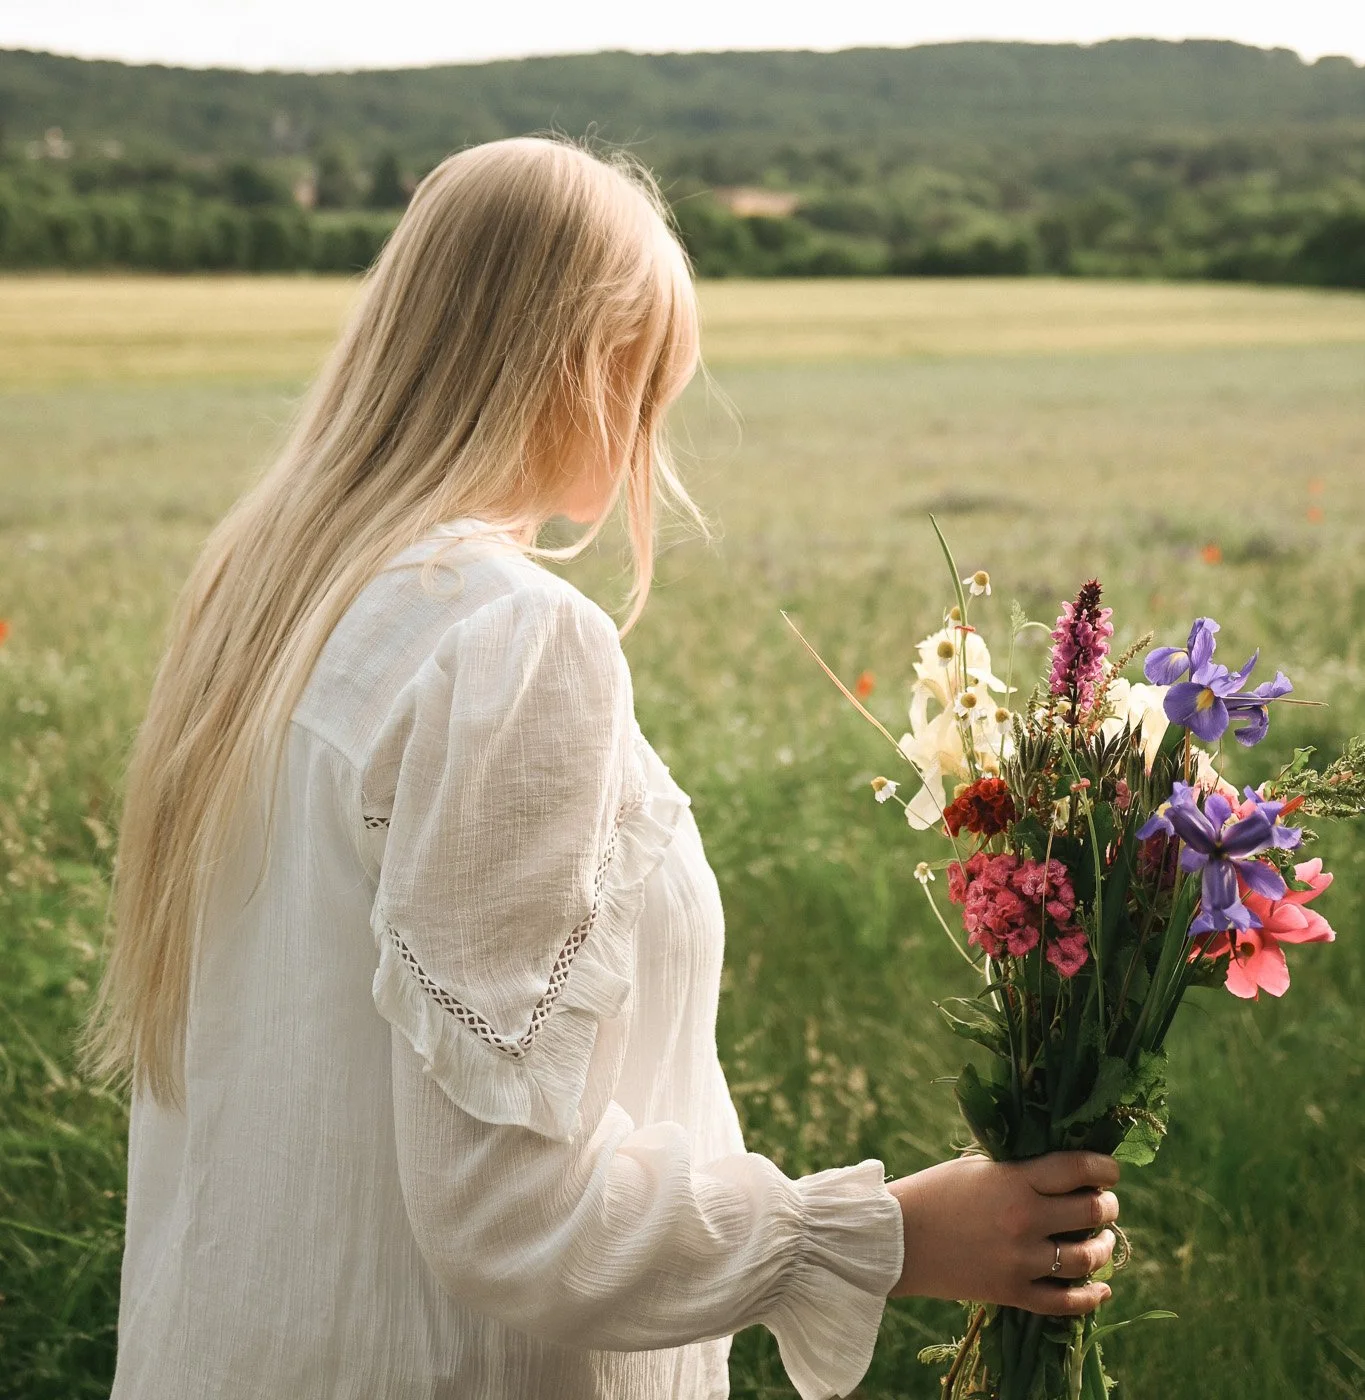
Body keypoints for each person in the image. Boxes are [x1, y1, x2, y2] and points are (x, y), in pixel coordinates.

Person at [92, 138, 1119, 1400]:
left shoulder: (270, 598)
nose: (652, 433)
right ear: (580, 364)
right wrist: (889, 1232)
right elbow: (507, 1212)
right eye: (651, 387)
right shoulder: (506, 638)